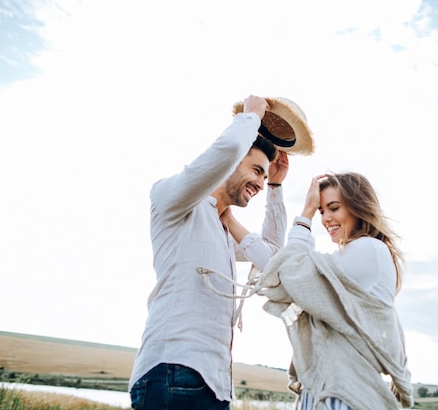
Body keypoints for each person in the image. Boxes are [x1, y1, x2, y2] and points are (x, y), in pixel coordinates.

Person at [128, 94, 314, 410]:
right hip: (173, 370)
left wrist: (275, 188)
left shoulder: (224, 228)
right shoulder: (174, 201)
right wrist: (251, 116)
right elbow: (225, 151)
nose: (259, 181)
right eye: (256, 170)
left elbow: (271, 254)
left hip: (215, 383)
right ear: (232, 161)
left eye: (263, 175)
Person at [257, 172, 414, 409]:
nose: (326, 218)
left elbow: (287, 273)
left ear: (357, 207)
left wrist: (306, 214)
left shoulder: (367, 249)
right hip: (332, 391)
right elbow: (292, 270)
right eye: (321, 211)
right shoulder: (356, 255)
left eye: (334, 208)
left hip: (342, 396)